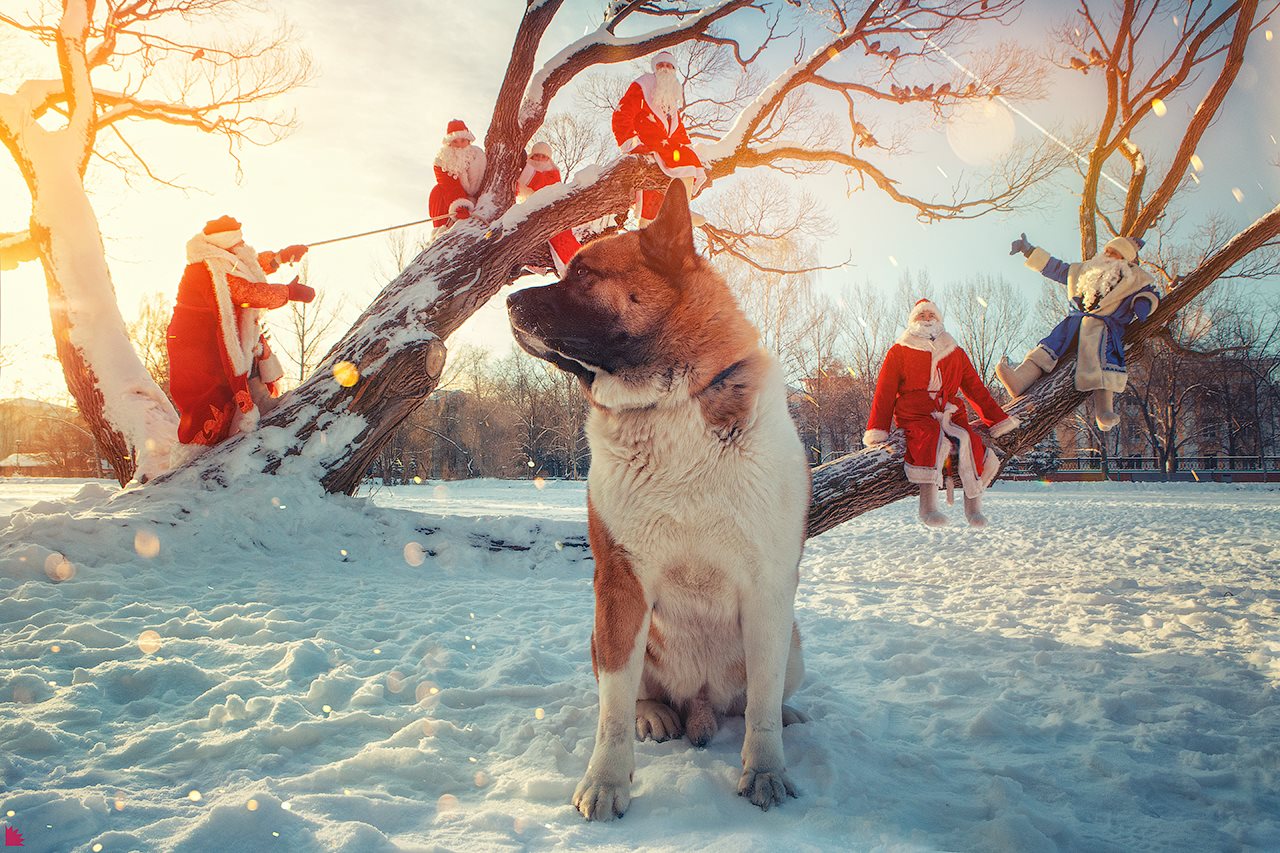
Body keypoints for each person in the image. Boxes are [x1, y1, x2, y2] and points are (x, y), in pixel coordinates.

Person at [167, 216, 314, 457]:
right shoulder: (205, 268)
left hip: (220, 338)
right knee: (209, 397)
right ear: (227, 242)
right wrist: (289, 292)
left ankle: (261, 410)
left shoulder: (220, 257)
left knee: (245, 367)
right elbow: (244, 291)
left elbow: (249, 265)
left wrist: (280, 257)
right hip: (196, 343)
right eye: (238, 240)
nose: (243, 242)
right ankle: (195, 458)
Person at [864, 299, 1020, 527]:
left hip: (950, 413)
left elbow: (975, 388)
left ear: (938, 320)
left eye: (931, 316)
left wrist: (997, 420)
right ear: (913, 321)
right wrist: (878, 430)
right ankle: (928, 508)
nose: (927, 319)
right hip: (915, 413)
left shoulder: (954, 351)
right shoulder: (899, 351)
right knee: (929, 438)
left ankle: (974, 508)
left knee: (971, 441)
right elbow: (885, 392)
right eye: (922, 316)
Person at [998, 233, 1159, 431]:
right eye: (1107, 250)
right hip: (1074, 323)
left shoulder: (1133, 278)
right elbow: (1058, 269)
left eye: (1114, 253)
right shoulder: (1086, 271)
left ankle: (1104, 411)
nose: (1107, 255)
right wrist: (1029, 251)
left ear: (1124, 260)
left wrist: (1142, 305)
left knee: (1103, 361)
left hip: (1104, 327)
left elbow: (1148, 294)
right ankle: (1020, 379)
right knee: (1049, 345)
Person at [611, 51, 707, 226]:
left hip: (664, 146)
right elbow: (622, 113)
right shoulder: (644, 84)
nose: (665, 69)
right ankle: (682, 212)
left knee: (685, 157)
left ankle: (677, 212)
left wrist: (688, 147)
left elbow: (678, 131)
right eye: (660, 65)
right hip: (647, 142)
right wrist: (630, 143)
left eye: (669, 66)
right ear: (654, 68)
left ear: (674, 70)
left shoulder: (670, 101)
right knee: (683, 158)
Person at [515, 141, 582, 276]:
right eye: (536, 156)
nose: (539, 159)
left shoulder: (552, 173)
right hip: (531, 213)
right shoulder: (525, 174)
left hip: (552, 212)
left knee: (563, 239)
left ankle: (576, 266)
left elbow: (544, 186)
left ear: (548, 159)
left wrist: (528, 170)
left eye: (543, 156)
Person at [429, 119, 487, 233]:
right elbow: (449, 186)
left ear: (468, 140)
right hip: (450, 199)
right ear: (449, 143)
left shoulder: (478, 155)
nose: (459, 145)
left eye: (463, 140)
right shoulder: (442, 160)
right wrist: (460, 205)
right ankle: (442, 230)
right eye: (455, 141)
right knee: (437, 191)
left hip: (478, 197)